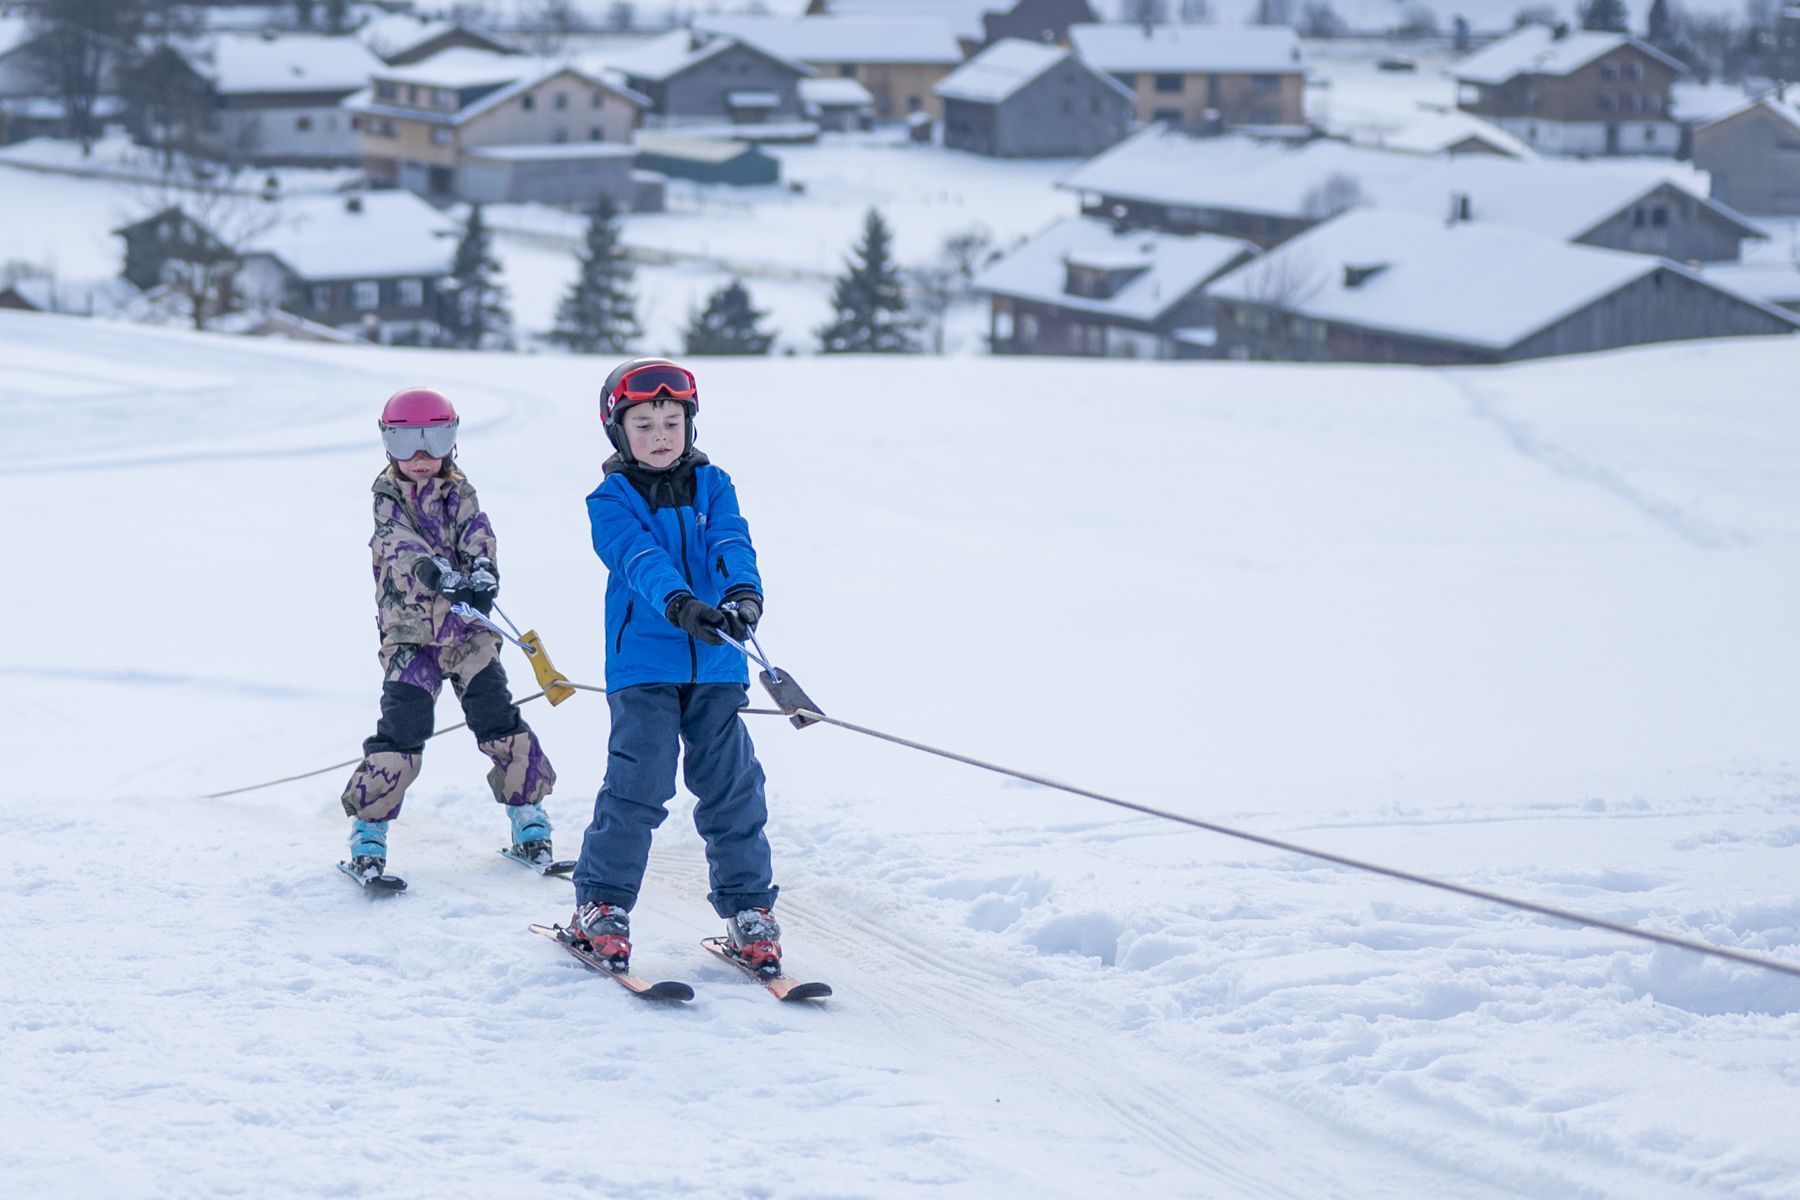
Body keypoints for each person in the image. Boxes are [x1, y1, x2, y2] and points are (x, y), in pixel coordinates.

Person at [567, 358, 783, 975]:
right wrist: (681, 604)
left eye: (672, 421)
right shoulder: (610, 499)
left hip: (717, 665)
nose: (661, 434)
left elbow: (732, 540)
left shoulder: (715, 484)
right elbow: (636, 558)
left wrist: (743, 594)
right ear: (618, 432)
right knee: (641, 782)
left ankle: (750, 911)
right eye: (644, 423)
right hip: (644, 667)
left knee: (733, 786)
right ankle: (601, 904)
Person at [339, 387, 557, 878]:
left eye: (435, 439)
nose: (421, 456)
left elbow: (478, 530)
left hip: (467, 636)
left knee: (496, 715)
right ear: (387, 444)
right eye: (406, 442)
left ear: (452, 441)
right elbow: (399, 545)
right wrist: (437, 573)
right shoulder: (387, 498)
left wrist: (482, 571)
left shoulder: (460, 491)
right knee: (403, 728)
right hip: (410, 637)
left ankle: (528, 817)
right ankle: (369, 831)